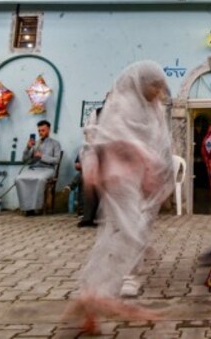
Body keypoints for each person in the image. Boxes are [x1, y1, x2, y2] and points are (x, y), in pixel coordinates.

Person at [65, 61, 173, 334]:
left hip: (137, 183)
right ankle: (100, 297)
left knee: (116, 238)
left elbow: (162, 142)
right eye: (154, 85)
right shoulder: (121, 103)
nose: (158, 92)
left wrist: (161, 173)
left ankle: (90, 299)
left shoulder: (154, 110)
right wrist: (145, 158)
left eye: (160, 87)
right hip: (118, 179)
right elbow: (111, 137)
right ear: (141, 82)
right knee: (129, 235)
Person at [16, 120, 62, 215]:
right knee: (19, 179)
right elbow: (25, 160)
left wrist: (42, 156)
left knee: (39, 179)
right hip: (34, 169)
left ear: (48, 130)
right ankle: (27, 208)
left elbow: (57, 160)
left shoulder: (55, 143)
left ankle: (37, 207)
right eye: (39, 131)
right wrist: (28, 148)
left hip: (48, 169)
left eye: (43, 130)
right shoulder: (35, 144)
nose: (41, 133)